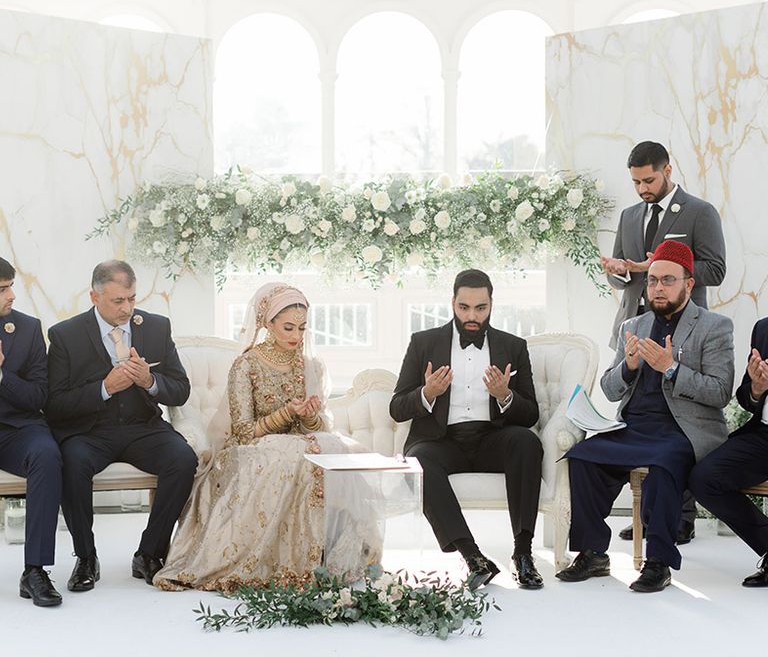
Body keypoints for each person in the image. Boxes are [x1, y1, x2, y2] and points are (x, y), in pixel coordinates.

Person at [154, 282, 379, 591]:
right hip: (251, 448)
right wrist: (287, 413)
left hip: (297, 444)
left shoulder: (309, 364)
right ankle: (290, 563)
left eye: (302, 328)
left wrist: (310, 416)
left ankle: (327, 557)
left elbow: (317, 428)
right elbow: (244, 431)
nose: (296, 336)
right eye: (288, 327)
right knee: (297, 455)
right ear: (267, 323)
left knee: (329, 446)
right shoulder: (246, 365)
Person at [556, 241, 733, 592]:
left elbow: (719, 392)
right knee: (582, 457)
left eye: (668, 280)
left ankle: (658, 562)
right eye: (652, 281)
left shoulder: (714, 326)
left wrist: (670, 368)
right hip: (634, 425)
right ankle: (593, 552)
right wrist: (629, 365)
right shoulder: (633, 325)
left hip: (683, 430)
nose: (658, 288)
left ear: (688, 284)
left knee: (664, 465)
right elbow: (608, 390)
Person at [601, 140, 726, 544]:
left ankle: (681, 517)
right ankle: (648, 510)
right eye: (636, 182)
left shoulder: (700, 211)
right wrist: (621, 270)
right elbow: (623, 275)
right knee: (641, 414)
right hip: (635, 328)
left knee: (680, 417)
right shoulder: (629, 215)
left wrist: (668, 262)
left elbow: (716, 269)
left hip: (684, 326)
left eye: (648, 180)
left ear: (667, 170)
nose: (642, 189)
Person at [46, 260, 197, 592]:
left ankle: (149, 553)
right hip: (90, 432)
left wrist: (150, 380)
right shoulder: (64, 335)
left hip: (143, 427)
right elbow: (54, 405)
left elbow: (180, 390)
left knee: (183, 459)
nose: (128, 308)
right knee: (71, 462)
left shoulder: (157, 327)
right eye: (118, 301)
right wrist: (105, 388)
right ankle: (86, 557)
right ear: (94, 297)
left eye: (131, 298)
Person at [389, 269, 544, 590]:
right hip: (441, 440)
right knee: (417, 461)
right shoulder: (424, 343)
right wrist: (427, 393)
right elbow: (397, 406)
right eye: (464, 307)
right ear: (453, 303)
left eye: (480, 308)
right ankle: (473, 557)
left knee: (527, 442)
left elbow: (530, 413)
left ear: (491, 304)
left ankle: (523, 553)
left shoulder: (514, 346)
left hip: (492, 439)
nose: (472, 316)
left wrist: (505, 395)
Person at [0, 257, 63, 607]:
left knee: (46, 453)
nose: (11, 295)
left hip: (18, 429)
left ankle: (35, 570)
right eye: (2, 289)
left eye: (10, 286)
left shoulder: (27, 328)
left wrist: (2, 376)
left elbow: (39, 396)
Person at [689, 317, 768, 586]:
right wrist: (757, 388)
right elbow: (747, 397)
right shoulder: (764, 328)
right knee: (704, 478)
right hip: (764, 436)